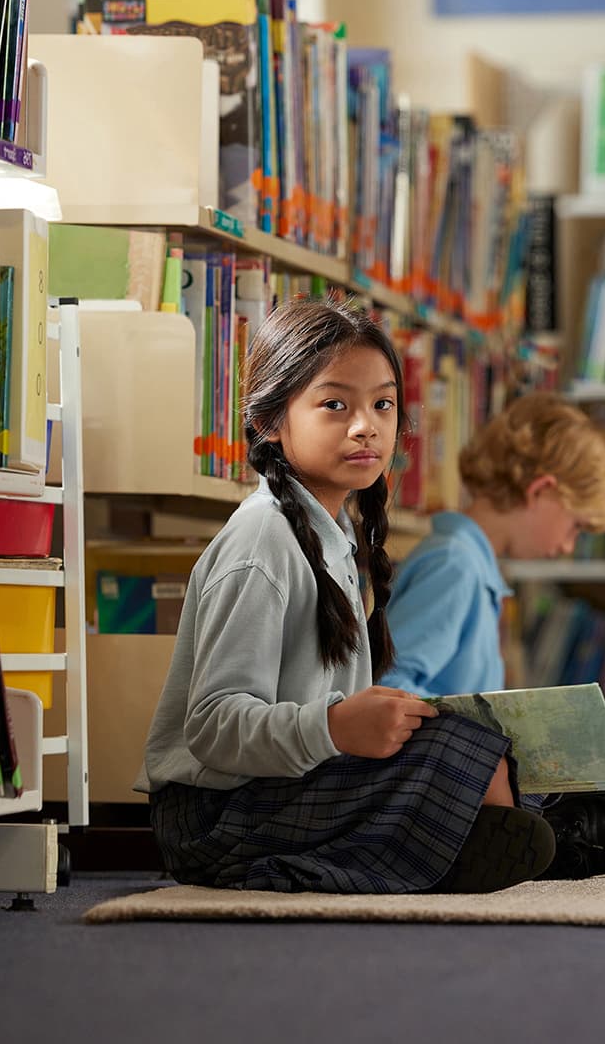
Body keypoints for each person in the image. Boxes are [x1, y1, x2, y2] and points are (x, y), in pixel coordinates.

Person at [138, 302, 554, 894]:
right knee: (465, 752)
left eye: (383, 405)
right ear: (272, 421)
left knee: (499, 748)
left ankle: (523, 836)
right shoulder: (263, 541)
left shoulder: (334, 539)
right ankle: (507, 842)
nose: (367, 426)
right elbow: (211, 725)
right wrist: (333, 727)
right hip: (215, 817)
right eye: (335, 405)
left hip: (293, 785)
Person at [381, 393, 605, 865]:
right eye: (575, 527)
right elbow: (391, 689)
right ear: (541, 491)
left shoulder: (472, 563)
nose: (567, 547)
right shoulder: (454, 564)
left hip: (477, 767)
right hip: (455, 775)